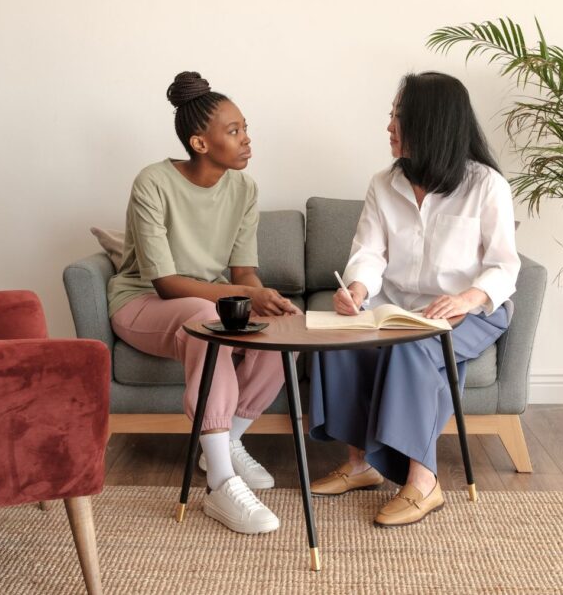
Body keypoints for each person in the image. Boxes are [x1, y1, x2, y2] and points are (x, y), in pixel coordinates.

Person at [308, 71, 520, 527]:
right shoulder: (383, 183)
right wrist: (358, 290)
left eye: (397, 117)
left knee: (415, 348)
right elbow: (368, 252)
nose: (389, 126)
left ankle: (424, 482)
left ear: (430, 123)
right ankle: (360, 464)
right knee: (339, 336)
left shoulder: (486, 186)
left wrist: (467, 298)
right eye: (391, 115)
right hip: (398, 304)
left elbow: (504, 265)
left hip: (473, 309)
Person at [108, 71, 300, 535]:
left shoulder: (245, 190)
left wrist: (262, 299)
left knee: (281, 331)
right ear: (199, 142)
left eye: (245, 128)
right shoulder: (152, 182)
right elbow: (167, 284)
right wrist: (243, 295)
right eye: (233, 132)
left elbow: (242, 275)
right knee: (203, 319)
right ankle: (221, 483)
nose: (246, 140)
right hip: (144, 304)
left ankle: (223, 442)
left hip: (213, 303)